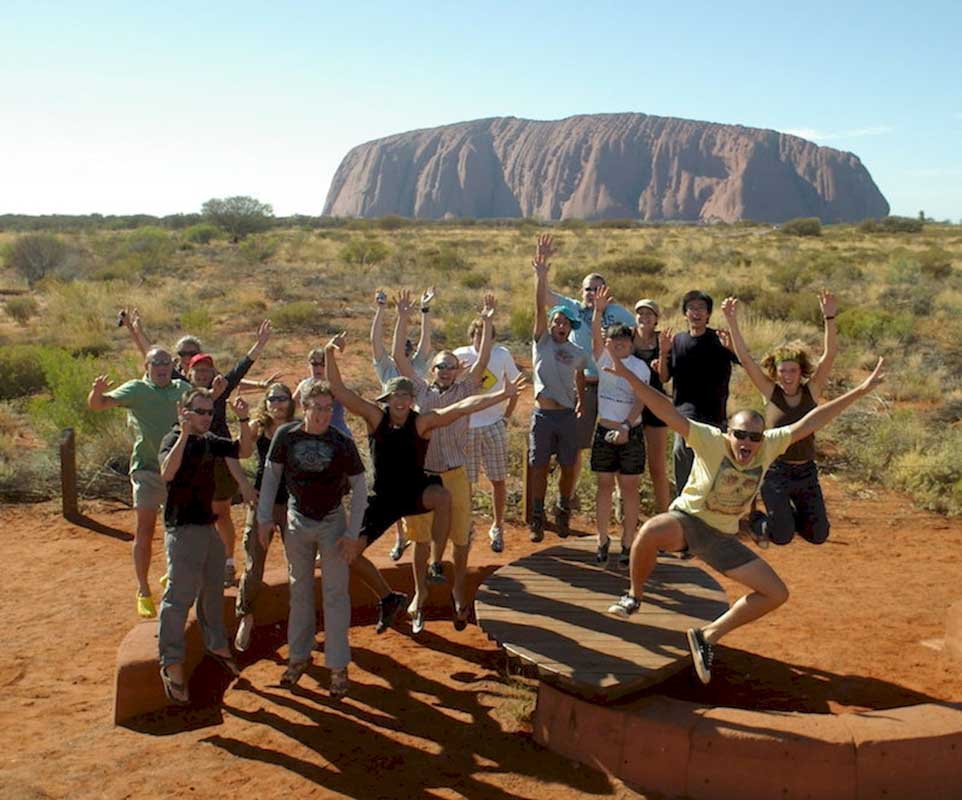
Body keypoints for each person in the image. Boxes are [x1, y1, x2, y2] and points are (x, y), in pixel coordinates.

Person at [603, 344, 884, 685]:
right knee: (650, 530)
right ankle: (634, 596)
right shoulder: (709, 439)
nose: (746, 443)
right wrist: (627, 373)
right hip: (688, 522)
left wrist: (861, 390)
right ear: (729, 433)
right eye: (740, 435)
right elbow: (665, 409)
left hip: (722, 537)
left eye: (754, 436)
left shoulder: (770, 444)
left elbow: (814, 420)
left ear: (762, 437)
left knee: (776, 593)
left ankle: (707, 636)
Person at [325, 336, 523, 636]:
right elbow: (339, 391)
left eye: (406, 396)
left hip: (416, 491)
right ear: (387, 399)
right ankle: (388, 597)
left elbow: (463, 407)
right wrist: (329, 353)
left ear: (411, 399)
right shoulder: (374, 417)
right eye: (396, 397)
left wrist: (501, 395)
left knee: (441, 497)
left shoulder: (421, 422)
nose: (401, 402)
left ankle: (436, 564)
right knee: (348, 553)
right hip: (383, 499)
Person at [256, 381, 368, 696]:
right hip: (297, 521)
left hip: (332, 523)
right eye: (316, 408)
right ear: (304, 407)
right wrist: (265, 518)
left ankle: (337, 665)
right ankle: (299, 657)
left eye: (327, 409)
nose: (322, 415)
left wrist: (352, 534)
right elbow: (271, 478)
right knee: (299, 590)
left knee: (336, 595)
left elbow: (360, 488)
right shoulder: (286, 436)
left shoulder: (340, 441)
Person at [393, 290, 495, 631]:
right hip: (422, 477)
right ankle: (420, 597)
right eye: (441, 366)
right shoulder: (419, 390)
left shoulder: (465, 390)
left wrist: (488, 321)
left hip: (455, 475)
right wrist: (405, 315)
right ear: (433, 369)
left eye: (452, 366)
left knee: (461, 539)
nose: (447, 371)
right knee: (421, 540)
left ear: (457, 370)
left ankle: (458, 593)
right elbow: (398, 357)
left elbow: (482, 362)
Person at [156, 388, 255, 705]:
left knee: (213, 588)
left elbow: (243, 451)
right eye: (199, 411)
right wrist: (184, 435)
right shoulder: (173, 439)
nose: (205, 417)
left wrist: (242, 418)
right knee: (178, 597)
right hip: (182, 528)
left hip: (207, 525)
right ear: (183, 412)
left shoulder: (210, 439)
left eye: (209, 412)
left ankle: (215, 644)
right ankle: (171, 663)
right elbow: (167, 473)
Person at [720, 292, 838, 546]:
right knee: (782, 537)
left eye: (792, 371)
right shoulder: (770, 392)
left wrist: (829, 316)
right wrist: (732, 322)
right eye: (783, 371)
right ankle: (757, 520)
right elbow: (745, 359)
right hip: (776, 472)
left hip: (806, 472)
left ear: (801, 371)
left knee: (818, 536)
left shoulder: (811, 391)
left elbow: (830, 355)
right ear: (776, 371)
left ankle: (785, 517)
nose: (787, 376)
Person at [87, 347, 192, 618]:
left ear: (173, 365)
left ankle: (170, 574)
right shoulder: (136, 390)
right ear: (146, 365)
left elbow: (204, 407)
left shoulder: (182, 388)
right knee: (144, 530)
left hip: (177, 470)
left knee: (176, 529)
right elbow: (99, 405)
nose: (161, 366)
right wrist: (96, 392)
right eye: (156, 362)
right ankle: (143, 590)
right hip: (146, 470)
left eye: (166, 362)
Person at [541, 235, 636, 498]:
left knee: (615, 442)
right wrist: (542, 269)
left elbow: (638, 336)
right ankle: (567, 497)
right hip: (582, 387)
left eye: (597, 289)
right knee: (576, 445)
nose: (592, 293)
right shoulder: (572, 309)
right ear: (581, 292)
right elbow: (545, 296)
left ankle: (618, 497)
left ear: (606, 291)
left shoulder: (618, 313)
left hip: (613, 387)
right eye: (588, 289)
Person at [183, 320, 274, 587]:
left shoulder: (223, 390)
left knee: (221, 512)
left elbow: (242, 366)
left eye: (206, 369)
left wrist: (260, 343)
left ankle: (227, 562)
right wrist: (136, 332)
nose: (202, 373)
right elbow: (154, 363)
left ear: (213, 371)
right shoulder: (184, 392)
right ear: (189, 373)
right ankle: (200, 564)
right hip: (192, 460)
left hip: (222, 460)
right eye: (197, 370)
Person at [529, 236, 588, 541]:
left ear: (571, 327)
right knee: (539, 467)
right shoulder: (542, 342)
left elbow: (580, 374)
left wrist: (578, 400)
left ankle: (563, 509)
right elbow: (540, 306)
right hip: (543, 416)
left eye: (566, 323)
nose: (560, 326)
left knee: (568, 467)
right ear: (550, 325)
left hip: (566, 415)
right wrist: (541, 276)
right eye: (557, 321)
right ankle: (537, 518)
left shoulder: (578, 352)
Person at [369, 287, 434, 562]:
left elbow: (427, 343)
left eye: (409, 347)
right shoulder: (386, 369)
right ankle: (400, 536)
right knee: (390, 483)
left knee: (416, 483)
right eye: (403, 347)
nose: (406, 351)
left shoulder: (418, 363)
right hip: (389, 433)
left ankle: (420, 537)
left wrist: (425, 312)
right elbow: (375, 342)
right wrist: (382, 311)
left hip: (415, 433)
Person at [234, 382, 296, 653]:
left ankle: (299, 620)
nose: (277, 403)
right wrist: (242, 419)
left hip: (292, 502)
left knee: (297, 561)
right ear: (266, 402)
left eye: (282, 398)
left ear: (290, 402)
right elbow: (239, 451)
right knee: (254, 560)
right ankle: (245, 615)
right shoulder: (258, 426)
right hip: (263, 501)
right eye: (272, 398)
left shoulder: (298, 428)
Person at [591, 286, 651, 566]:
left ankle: (628, 542)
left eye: (623, 344)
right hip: (604, 430)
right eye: (614, 343)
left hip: (632, 432)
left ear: (631, 344)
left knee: (629, 487)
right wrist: (598, 311)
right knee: (604, 486)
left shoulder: (640, 368)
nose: (619, 348)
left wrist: (627, 427)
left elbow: (640, 400)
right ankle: (602, 539)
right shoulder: (603, 359)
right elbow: (594, 339)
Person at [662, 290, 740, 497]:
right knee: (684, 460)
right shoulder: (677, 341)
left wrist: (732, 346)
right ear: (685, 313)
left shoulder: (719, 339)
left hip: (714, 416)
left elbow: (743, 359)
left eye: (701, 309)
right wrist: (663, 353)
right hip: (684, 415)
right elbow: (664, 377)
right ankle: (683, 513)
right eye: (692, 308)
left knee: (712, 472)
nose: (696, 313)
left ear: (708, 314)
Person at [453, 316, 520, 553]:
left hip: (493, 424)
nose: (482, 340)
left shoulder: (502, 354)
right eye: (478, 335)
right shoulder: (460, 354)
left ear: (494, 338)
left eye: (487, 335)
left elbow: (516, 386)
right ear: (472, 336)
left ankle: (497, 526)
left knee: (498, 479)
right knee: (466, 483)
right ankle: (466, 527)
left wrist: (506, 417)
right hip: (466, 427)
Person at [631, 298, 671, 515]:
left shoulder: (661, 340)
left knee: (657, 468)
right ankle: (628, 511)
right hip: (629, 406)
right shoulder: (626, 335)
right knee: (629, 467)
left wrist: (663, 355)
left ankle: (663, 514)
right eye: (640, 313)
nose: (644, 318)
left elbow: (665, 378)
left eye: (649, 314)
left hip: (655, 406)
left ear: (656, 319)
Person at [293, 344, 352, 437]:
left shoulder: (335, 385)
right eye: (314, 364)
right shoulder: (304, 385)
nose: (318, 368)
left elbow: (352, 406)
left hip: (338, 436)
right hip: (313, 436)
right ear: (309, 365)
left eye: (323, 364)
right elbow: (289, 409)